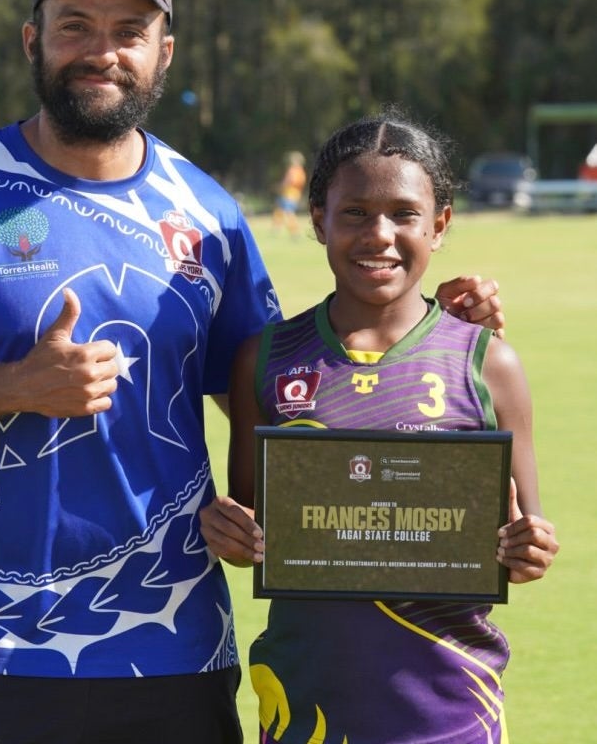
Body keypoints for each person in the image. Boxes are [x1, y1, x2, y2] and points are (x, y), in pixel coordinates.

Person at [0, 0, 505, 744]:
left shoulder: (209, 214)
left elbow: (291, 389)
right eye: (76, 26)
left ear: (164, 53)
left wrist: (434, 332)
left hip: (176, 651)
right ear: (33, 40)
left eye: (129, 31)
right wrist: (14, 385)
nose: (102, 51)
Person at [199, 111, 559, 744]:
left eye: (404, 213)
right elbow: (255, 526)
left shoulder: (488, 364)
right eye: (355, 213)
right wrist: (231, 532)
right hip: (305, 703)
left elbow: (524, 540)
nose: (380, 235)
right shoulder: (266, 359)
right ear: (319, 220)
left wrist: (530, 549)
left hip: (451, 709)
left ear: (439, 225)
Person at [271, 150, 307, 236]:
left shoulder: (294, 170)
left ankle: (294, 231)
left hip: (290, 194)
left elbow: (290, 181)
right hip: (290, 193)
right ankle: (277, 228)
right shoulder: (300, 171)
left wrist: (280, 186)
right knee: (279, 210)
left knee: (289, 212)